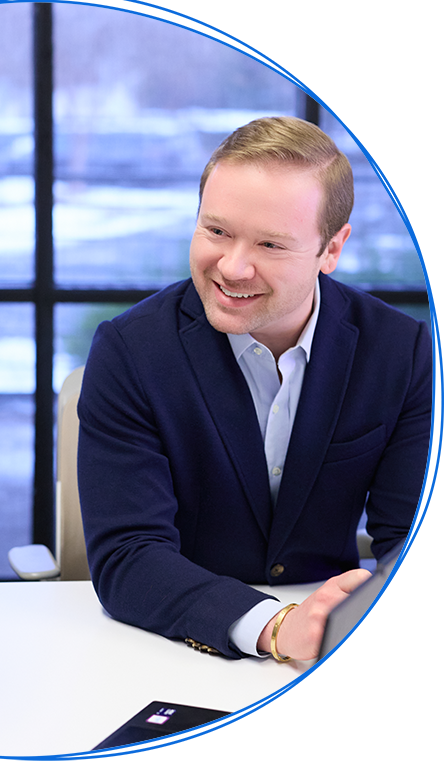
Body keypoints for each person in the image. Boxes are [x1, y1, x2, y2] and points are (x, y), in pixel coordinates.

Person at [77, 116, 431, 662]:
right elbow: (128, 556)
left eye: (270, 243)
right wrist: (274, 624)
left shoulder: (400, 350)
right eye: (216, 231)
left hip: (336, 646)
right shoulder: (131, 350)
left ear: (331, 250)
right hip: (171, 646)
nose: (232, 266)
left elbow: (412, 537)